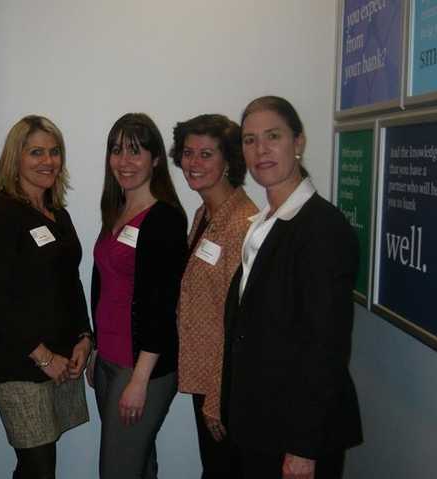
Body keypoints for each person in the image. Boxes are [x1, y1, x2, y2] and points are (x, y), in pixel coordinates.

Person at [222, 96, 362, 479]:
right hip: (261, 425)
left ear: (298, 143)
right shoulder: (266, 222)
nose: (261, 150)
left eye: (273, 136)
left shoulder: (322, 229)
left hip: (297, 437)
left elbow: (326, 346)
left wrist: (303, 447)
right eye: (250, 140)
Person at [0, 115, 91, 479]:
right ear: (16, 159)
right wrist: (42, 357)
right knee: (38, 467)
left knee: (40, 467)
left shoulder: (59, 215)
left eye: (54, 152)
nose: (48, 161)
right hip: (21, 364)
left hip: (62, 358)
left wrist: (85, 338)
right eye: (36, 152)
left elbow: (71, 283)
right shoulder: (0, 215)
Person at [88, 112, 187, 479]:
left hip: (141, 365)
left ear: (155, 159)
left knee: (117, 471)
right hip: (108, 362)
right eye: (116, 151)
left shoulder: (164, 219)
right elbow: (105, 284)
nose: (124, 162)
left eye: (135, 152)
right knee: (138, 465)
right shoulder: (114, 210)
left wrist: (140, 380)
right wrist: (97, 348)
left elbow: (161, 304)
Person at [170, 114, 258, 478]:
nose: (193, 163)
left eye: (206, 154)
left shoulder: (244, 224)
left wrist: (217, 397)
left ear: (228, 162)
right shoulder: (204, 214)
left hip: (225, 387)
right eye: (188, 153)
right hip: (204, 376)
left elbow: (241, 324)